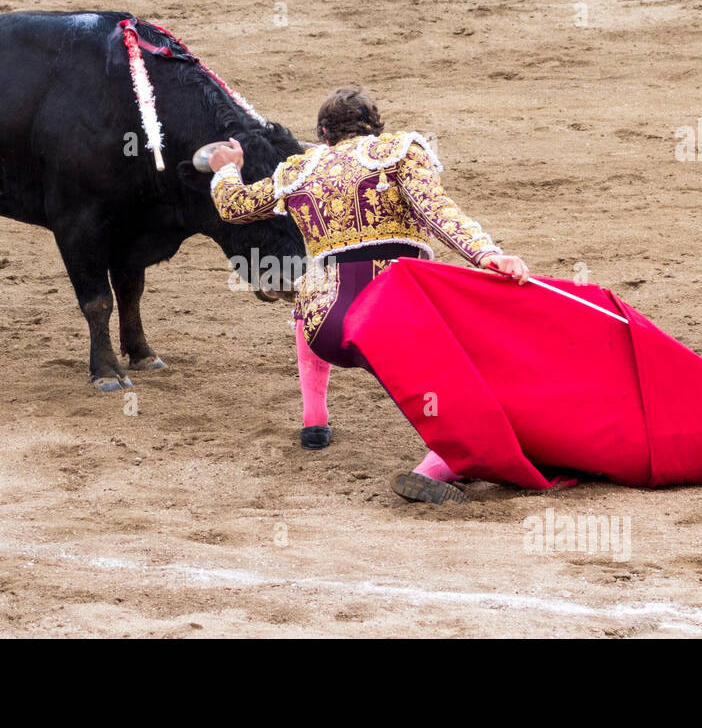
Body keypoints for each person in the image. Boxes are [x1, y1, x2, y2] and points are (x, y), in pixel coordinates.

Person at [207, 87, 530, 503]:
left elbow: (234, 206)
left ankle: (314, 421)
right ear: (376, 127)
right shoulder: (398, 151)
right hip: (391, 311)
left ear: (324, 133)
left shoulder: (300, 170)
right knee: (454, 377)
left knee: (311, 295)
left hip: (327, 324)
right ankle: (441, 464)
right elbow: (438, 211)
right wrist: (487, 255)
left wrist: (226, 169)